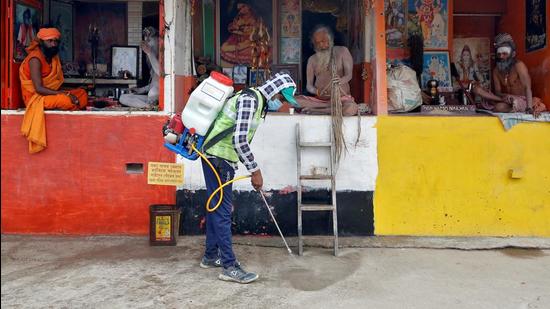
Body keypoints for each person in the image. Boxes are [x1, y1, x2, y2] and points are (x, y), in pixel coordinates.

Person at [199, 73, 298, 284]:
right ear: (274, 91)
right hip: (219, 157)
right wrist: (255, 170)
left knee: (216, 207)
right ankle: (229, 266)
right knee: (223, 211)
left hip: (219, 156)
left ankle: (210, 256)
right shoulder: (249, 100)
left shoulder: (256, 101)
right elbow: (239, 140)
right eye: (281, 99)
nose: (280, 104)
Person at [19, 27, 88, 153]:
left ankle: (72, 104)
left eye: (56, 41)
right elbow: (39, 89)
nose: (53, 44)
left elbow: (54, 85)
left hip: (48, 95)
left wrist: (70, 91)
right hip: (35, 99)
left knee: (82, 93)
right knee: (66, 99)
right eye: (50, 41)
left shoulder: (52, 57)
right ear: (41, 42)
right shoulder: (35, 59)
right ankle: (71, 105)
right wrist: (65, 93)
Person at [472, 33, 546, 117]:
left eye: (505, 54)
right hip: (507, 100)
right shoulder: (496, 70)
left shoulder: (519, 65)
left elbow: (527, 87)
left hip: (523, 100)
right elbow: (498, 92)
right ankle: (509, 102)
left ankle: (515, 104)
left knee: (499, 107)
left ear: (513, 54)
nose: (501, 57)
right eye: (499, 54)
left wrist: (529, 108)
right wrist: (506, 97)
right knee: (477, 89)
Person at [295, 25, 358, 116]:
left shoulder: (343, 51)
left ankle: (322, 111)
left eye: (324, 41)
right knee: (294, 102)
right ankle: (329, 108)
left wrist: (341, 80)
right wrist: (316, 91)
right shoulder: (312, 59)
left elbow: (349, 75)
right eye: (318, 43)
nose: (321, 45)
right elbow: (309, 86)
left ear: (330, 39)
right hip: (319, 101)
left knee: (351, 109)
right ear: (314, 44)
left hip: (341, 99)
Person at [119, 27, 160, 108]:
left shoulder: (163, 57)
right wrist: (140, 90)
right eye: (146, 41)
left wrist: (149, 53)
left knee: (153, 92)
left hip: (157, 97)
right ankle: (148, 107)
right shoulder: (152, 58)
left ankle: (149, 107)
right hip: (150, 99)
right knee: (123, 97)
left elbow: (160, 73)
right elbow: (154, 83)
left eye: (149, 41)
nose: (148, 44)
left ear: (158, 40)